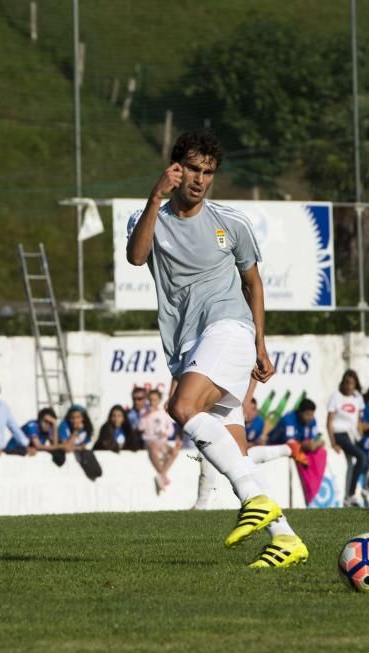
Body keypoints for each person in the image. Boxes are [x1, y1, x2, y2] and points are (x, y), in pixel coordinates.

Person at [126, 129, 305, 569]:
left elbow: (253, 283)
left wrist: (262, 345)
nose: (200, 179)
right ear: (175, 168)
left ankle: (259, 506)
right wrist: (155, 197)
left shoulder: (231, 222)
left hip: (229, 328)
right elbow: (136, 257)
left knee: (182, 408)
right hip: (189, 342)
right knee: (235, 452)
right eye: (192, 168)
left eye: (208, 172)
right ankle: (285, 538)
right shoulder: (148, 216)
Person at [265, 399, 323, 507]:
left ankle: (311, 492)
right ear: (300, 412)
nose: (310, 417)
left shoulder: (312, 420)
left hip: (294, 451)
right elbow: (291, 444)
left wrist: (315, 444)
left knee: (321, 452)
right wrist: (311, 445)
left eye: (312, 414)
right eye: (307, 414)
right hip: (275, 449)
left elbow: (314, 440)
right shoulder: (289, 420)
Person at [327, 369, 366, 508]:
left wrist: (361, 436)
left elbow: (359, 420)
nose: (349, 386)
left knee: (365, 458)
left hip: (353, 434)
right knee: (361, 457)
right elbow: (329, 421)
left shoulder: (358, 398)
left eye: (352, 383)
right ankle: (350, 494)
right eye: (347, 383)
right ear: (343, 383)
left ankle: (365, 489)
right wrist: (333, 442)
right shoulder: (336, 396)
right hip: (340, 434)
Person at [139, 388, 178, 493]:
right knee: (153, 450)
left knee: (174, 451)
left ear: (160, 400)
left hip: (162, 441)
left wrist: (165, 433)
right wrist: (147, 415)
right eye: (151, 399)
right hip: (150, 441)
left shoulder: (163, 414)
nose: (153, 402)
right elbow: (140, 427)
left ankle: (161, 474)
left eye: (155, 400)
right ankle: (162, 475)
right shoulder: (144, 412)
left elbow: (170, 429)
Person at [58, 404, 102, 480]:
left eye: (78, 417)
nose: (75, 420)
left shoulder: (87, 427)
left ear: (83, 418)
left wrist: (77, 447)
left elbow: (86, 446)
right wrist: (76, 432)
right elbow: (67, 447)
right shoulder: (64, 425)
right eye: (72, 418)